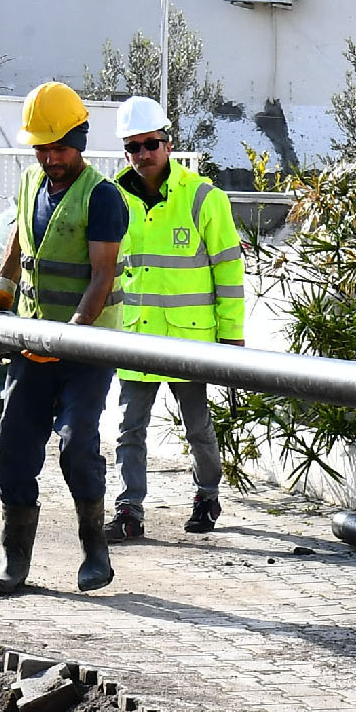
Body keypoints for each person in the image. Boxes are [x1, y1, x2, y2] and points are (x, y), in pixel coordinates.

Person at [0, 81, 129, 595]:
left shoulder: (102, 197)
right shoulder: (30, 183)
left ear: (79, 142)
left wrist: (72, 337)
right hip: (35, 341)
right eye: (41, 147)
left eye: (58, 147)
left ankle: (94, 551)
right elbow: (19, 239)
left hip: (87, 347)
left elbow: (101, 277)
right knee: (13, 448)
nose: (49, 157)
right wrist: (3, 288)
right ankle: (15, 561)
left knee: (76, 444)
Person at [106, 95, 244, 540]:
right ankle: (129, 510)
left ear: (168, 143)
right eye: (134, 147)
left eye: (151, 144)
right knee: (130, 428)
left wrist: (232, 337)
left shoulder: (204, 198)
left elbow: (228, 269)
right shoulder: (112, 198)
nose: (143, 154)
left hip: (190, 340)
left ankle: (207, 497)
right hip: (137, 336)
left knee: (197, 425)